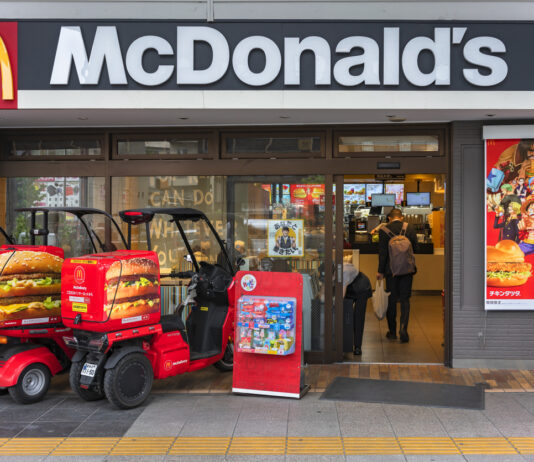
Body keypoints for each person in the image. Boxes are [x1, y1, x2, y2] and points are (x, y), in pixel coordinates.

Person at [377, 208, 417, 343]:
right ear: (402, 217)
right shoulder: (409, 228)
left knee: (391, 300)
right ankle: (403, 329)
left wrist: (380, 271)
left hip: (391, 271)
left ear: (389, 218)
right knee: (405, 300)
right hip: (407, 270)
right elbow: (415, 248)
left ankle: (392, 331)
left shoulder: (384, 230)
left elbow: (382, 254)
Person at [343, 263, 372, 356]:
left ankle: (357, 347)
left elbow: (341, 297)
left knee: (358, 317)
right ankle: (346, 344)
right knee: (346, 315)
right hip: (351, 289)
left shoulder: (343, 273)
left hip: (362, 287)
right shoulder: (335, 271)